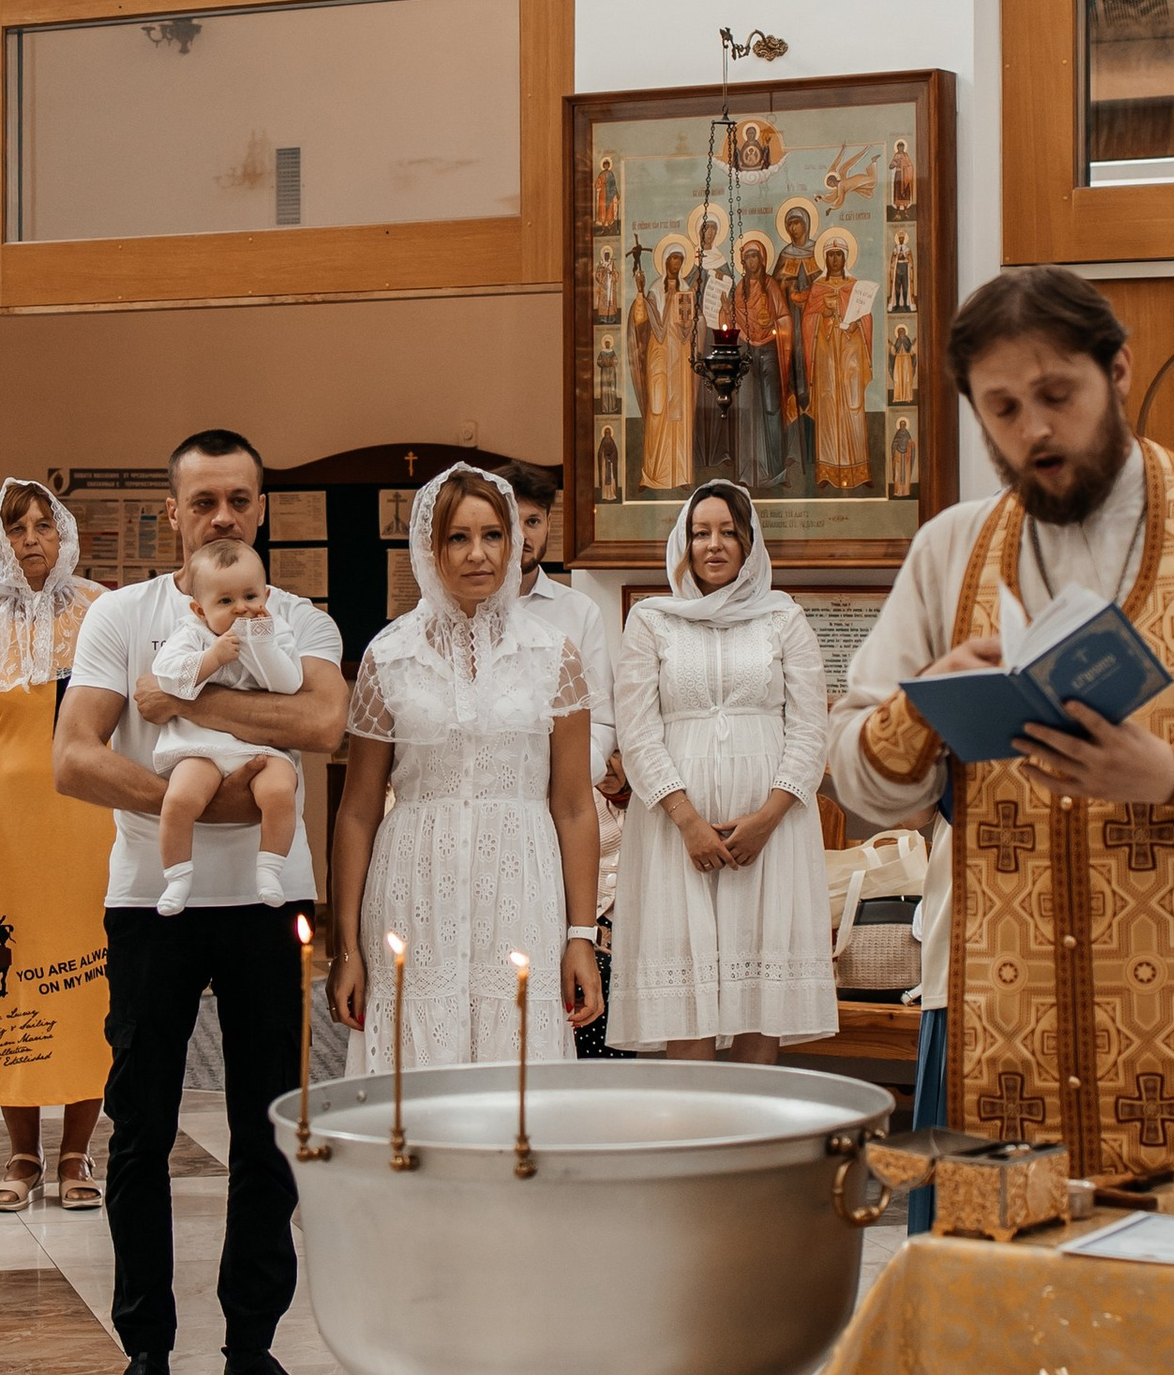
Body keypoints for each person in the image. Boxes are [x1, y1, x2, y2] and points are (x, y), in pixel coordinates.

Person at [827, 267, 1174, 1189]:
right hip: (1005, 995)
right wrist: (920, 707)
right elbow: (858, 773)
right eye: (1001, 408)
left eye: (1057, 395)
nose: (1033, 430)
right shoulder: (949, 550)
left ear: (1119, 371)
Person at [54, 430, 349, 1375]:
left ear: (259, 507)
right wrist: (197, 804)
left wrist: (189, 695)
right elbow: (73, 758)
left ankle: (252, 1351)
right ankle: (143, 1349)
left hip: (272, 903)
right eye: (205, 501)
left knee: (267, 1128)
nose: (224, 515)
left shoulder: (297, 615)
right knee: (138, 1128)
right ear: (173, 515)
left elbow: (323, 727)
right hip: (152, 898)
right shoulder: (119, 617)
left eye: (241, 499)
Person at [329, 467, 602, 1072]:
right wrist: (345, 946)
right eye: (457, 537)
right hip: (413, 884)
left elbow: (575, 806)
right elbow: (356, 810)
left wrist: (581, 933)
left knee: (518, 1066)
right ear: (429, 549)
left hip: (523, 886)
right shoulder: (388, 654)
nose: (477, 554)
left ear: (512, 544)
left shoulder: (555, 654)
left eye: (492, 536)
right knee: (413, 1067)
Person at [611, 481, 836, 1060]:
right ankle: (694, 1139)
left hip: (773, 835)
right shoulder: (651, 620)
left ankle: (751, 1141)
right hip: (671, 834)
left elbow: (812, 727)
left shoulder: (784, 618)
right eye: (700, 532)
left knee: (761, 997)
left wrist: (768, 816)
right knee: (685, 994)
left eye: (729, 531)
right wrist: (687, 820)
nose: (714, 544)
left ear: (750, 542)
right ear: (683, 543)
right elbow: (637, 730)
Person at [0, 480, 111, 1214]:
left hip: (91, 838)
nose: (34, 539)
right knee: (5, 987)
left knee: (89, 992)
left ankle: (75, 1154)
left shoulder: (104, 614)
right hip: (5, 848)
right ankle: (20, 1154)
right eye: (17, 529)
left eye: (45, 525)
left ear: (65, 534)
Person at [503, 455, 625, 1051]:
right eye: (511, 520)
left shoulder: (578, 611)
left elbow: (601, 716)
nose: (523, 536)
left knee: (560, 937)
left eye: (534, 521)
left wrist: (572, 773)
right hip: (498, 800)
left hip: (568, 803)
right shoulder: (462, 609)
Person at [149, 540, 303, 914]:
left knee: (281, 790)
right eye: (225, 602)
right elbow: (168, 678)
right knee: (181, 798)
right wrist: (212, 657)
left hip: (260, 747)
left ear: (266, 594)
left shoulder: (275, 629)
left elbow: (288, 683)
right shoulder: (193, 633)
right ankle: (177, 876)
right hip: (201, 745)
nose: (241, 609)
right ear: (200, 610)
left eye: (250, 595)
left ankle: (269, 869)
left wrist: (262, 645)